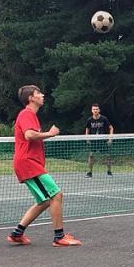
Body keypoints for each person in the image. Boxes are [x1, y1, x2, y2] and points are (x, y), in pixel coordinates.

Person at [7, 85, 82, 246]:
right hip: (28, 163)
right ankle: (59, 237)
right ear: (31, 98)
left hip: (29, 163)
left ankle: (17, 233)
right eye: (38, 93)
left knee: (45, 201)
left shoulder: (31, 115)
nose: (42, 95)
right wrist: (50, 133)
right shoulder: (27, 114)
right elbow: (29, 135)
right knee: (56, 195)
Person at [84, 104, 114, 176]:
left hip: (102, 140)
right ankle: (89, 172)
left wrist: (110, 139)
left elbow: (111, 128)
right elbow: (87, 129)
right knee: (91, 155)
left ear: (99, 110)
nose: (95, 110)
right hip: (93, 141)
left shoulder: (104, 118)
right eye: (94, 109)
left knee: (107, 156)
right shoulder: (89, 120)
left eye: (96, 109)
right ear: (92, 110)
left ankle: (109, 171)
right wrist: (87, 138)